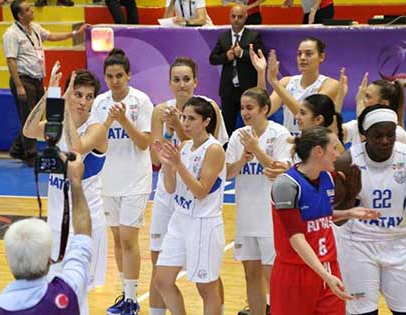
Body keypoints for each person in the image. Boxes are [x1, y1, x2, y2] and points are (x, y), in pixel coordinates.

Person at [335, 105, 406, 315]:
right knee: (363, 312)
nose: (385, 141)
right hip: (358, 245)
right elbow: (337, 219)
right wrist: (350, 195)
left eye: (390, 135)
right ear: (365, 135)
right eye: (378, 136)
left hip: (398, 244)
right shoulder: (347, 161)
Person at [22, 66, 107, 315]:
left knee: (78, 294)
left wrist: (65, 108)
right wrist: (49, 96)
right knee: (51, 289)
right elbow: (28, 129)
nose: (83, 101)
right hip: (57, 225)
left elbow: (77, 148)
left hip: (85, 225)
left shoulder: (97, 129)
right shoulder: (55, 126)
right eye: (77, 94)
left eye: (88, 96)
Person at [270, 126, 380, 315]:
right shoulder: (286, 185)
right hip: (296, 272)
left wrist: (349, 213)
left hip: (329, 267)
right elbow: (296, 237)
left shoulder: (328, 178)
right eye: (335, 148)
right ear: (318, 151)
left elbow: (319, 216)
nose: (338, 154)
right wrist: (325, 275)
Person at [149, 57, 228, 315]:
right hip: (180, 220)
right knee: (162, 280)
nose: (185, 123)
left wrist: (178, 165)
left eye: (191, 119)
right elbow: (171, 189)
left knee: (206, 288)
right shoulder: (183, 146)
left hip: (203, 222)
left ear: (205, 122)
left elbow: (201, 190)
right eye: (183, 118)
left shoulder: (213, 149)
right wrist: (168, 165)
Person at [0, 152, 93, 315]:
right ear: (50, 260)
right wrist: (76, 182)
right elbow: (83, 236)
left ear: (8, 260)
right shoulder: (68, 290)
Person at [91, 48, 153, 315]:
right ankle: (124, 293)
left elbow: (144, 143)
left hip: (135, 180)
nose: (114, 80)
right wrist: (107, 121)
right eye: (109, 76)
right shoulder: (100, 102)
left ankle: (132, 298)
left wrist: (123, 119)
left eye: (119, 75)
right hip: (108, 180)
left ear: (128, 75)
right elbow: (94, 139)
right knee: (116, 239)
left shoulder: (141, 101)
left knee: (129, 238)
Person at [225, 87, 292, 315]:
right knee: (250, 274)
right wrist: (242, 159)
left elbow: (280, 173)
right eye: (242, 108)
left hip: (271, 219)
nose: (245, 112)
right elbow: (227, 174)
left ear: (264, 109)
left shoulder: (280, 134)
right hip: (246, 217)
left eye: (250, 108)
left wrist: (256, 150)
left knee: (273, 277)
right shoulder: (237, 135)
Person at [3, 0, 87, 166]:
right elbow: (11, 61)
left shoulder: (34, 27)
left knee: (37, 116)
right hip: (24, 79)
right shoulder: (11, 34)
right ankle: (30, 155)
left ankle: (17, 148)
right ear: (20, 15)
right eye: (27, 10)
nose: (31, 11)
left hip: (37, 79)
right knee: (28, 116)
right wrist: (19, 85)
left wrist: (74, 34)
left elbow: (51, 36)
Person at [264, 37, 340, 137]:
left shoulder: (330, 84)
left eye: (308, 54)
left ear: (321, 57)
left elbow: (308, 117)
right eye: (299, 54)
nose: (302, 58)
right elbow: (264, 111)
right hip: (289, 144)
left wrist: (274, 82)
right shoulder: (286, 82)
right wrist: (260, 72)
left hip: (314, 144)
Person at [209, 4, 265, 137]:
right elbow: (212, 59)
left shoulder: (253, 36)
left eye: (240, 17)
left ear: (245, 17)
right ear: (229, 17)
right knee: (227, 124)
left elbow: (261, 57)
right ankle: (227, 152)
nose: (236, 20)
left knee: (251, 123)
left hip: (247, 88)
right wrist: (226, 57)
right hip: (228, 89)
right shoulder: (223, 37)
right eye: (233, 16)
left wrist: (242, 54)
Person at [263, 93, 343, 180]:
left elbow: (316, 178)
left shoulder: (331, 145)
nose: (297, 117)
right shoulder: (297, 141)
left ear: (318, 119)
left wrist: (291, 175)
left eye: (303, 113)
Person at [335, 70, 406, 147]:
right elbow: (332, 135)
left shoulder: (397, 133)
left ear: (384, 104)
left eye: (367, 96)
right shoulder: (355, 126)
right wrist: (340, 97)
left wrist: (360, 102)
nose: (363, 99)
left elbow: (366, 142)